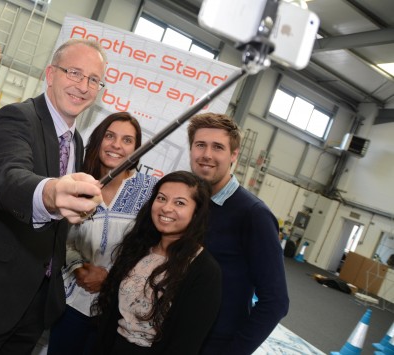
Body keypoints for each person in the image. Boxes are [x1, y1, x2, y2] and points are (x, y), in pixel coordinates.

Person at [0, 38, 106, 354]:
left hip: (35, 305)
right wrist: (51, 192)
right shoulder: (17, 117)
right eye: (75, 73)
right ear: (50, 74)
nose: (83, 86)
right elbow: (9, 180)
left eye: (93, 79)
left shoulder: (76, 142)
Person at [47, 112, 158, 355]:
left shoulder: (149, 190)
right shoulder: (76, 182)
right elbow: (59, 234)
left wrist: (112, 278)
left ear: (136, 149)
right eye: (110, 136)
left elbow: (150, 248)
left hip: (115, 309)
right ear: (99, 139)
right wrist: (78, 267)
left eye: (127, 140)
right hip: (70, 300)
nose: (117, 145)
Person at [187, 113, 289, 355]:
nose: (207, 155)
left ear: (234, 155)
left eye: (218, 147)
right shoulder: (189, 203)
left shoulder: (253, 215)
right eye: (200, 145)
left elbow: (276, 302)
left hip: (214, 345)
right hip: (177, 337)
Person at [93, 171, 222, 354]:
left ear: (196, 213)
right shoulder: (138, 247)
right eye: (161, 198)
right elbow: (109, 317)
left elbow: (185, 345)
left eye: (179, 203)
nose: (166, 208)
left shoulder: (205, 271)